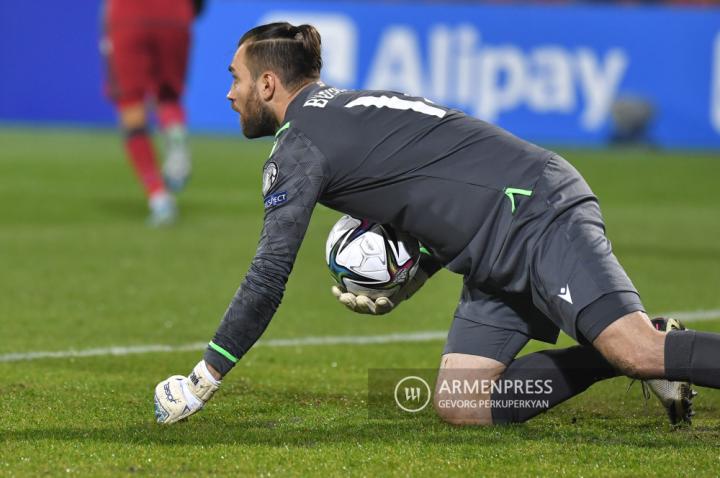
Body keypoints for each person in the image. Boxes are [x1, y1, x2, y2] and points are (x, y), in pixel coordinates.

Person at [153, 22, 718, 426]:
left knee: (635, 349)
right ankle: (634, 349)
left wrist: (204, 378)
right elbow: (439, 182)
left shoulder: (299, 146)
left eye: (236, 77)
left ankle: (645, 351)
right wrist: (416, 274)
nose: (229, 92)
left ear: (267, 84)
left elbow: (268, 274)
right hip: (491, 239)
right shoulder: (349, 106)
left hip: (532, 212)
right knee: (462, 401)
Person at [101, 0, 204, 225]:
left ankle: (159, 198)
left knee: (131, 104)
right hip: (175, 13)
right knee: (168, 95)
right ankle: (175, 135)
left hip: (128, 14)